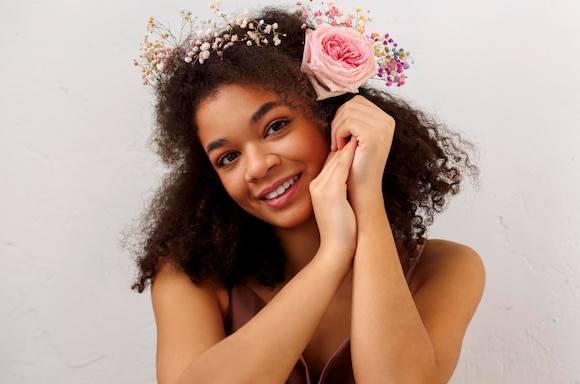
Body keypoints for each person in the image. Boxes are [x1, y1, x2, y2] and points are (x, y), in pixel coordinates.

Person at [131, 3, 485, 383]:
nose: (256, 166)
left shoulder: (446, 267)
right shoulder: (191, 279)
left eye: (276, 126)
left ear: (331, 115)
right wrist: (332, 255)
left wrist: (365, 195)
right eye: (228, 157)